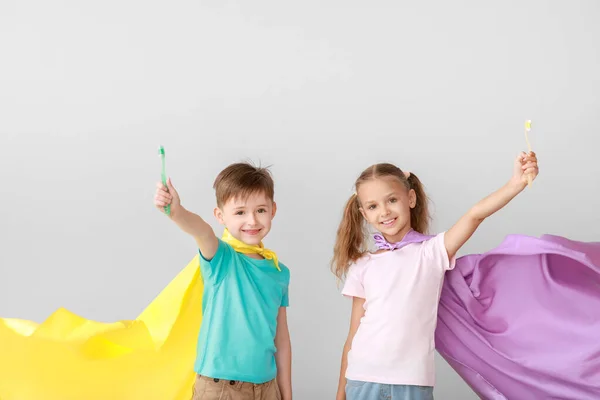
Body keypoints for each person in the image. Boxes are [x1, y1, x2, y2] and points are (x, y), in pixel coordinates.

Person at [331, 152, 539, 400]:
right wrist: (340, 392)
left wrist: (515, 183)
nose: (384, 212)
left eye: (392, 200)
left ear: (410, 198)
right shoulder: (363, 264)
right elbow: (353, 334)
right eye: (373, 206)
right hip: (362, 377)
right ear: (364, 214)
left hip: (411, 380)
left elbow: (475, 215)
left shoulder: (432, 251)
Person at [154, 161, 292, 400]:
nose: (252, 221)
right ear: (220, 216)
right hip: (222, 389)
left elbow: (282, 337)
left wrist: (285, 392)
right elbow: (202, 231)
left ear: (273, 210)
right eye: (240, 212)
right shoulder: (222, 258)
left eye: (260, 210)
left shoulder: (279, 271)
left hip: (268, 388)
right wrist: (177, 212)